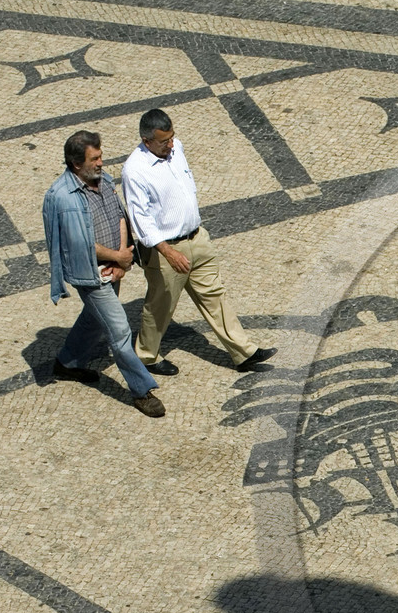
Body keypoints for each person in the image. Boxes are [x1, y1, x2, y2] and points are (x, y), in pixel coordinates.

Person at [121, 108, 275, 375]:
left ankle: (244, 352)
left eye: (172, 138)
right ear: (147, 142)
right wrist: (169, 253)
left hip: (196, 237)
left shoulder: (175, 147)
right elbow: (141, 221)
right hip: (166, 250)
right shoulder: (135, 171)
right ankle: (146, 356)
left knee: (214, 295)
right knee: (161, 305)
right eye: (163, 141)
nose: (171, 145)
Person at [42, 130, 165, 418]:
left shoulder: (104, 180)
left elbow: (119, 215)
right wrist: (116, 257)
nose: (101, 163)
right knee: (119, 331)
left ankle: (68, 363)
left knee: (94, 319)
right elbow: (79, 243)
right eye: (94, 158)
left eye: (100, 156)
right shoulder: (62, 197)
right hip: (91, 274)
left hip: (114, 266)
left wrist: (123, 257)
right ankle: (141, 390)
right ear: (76, 164)